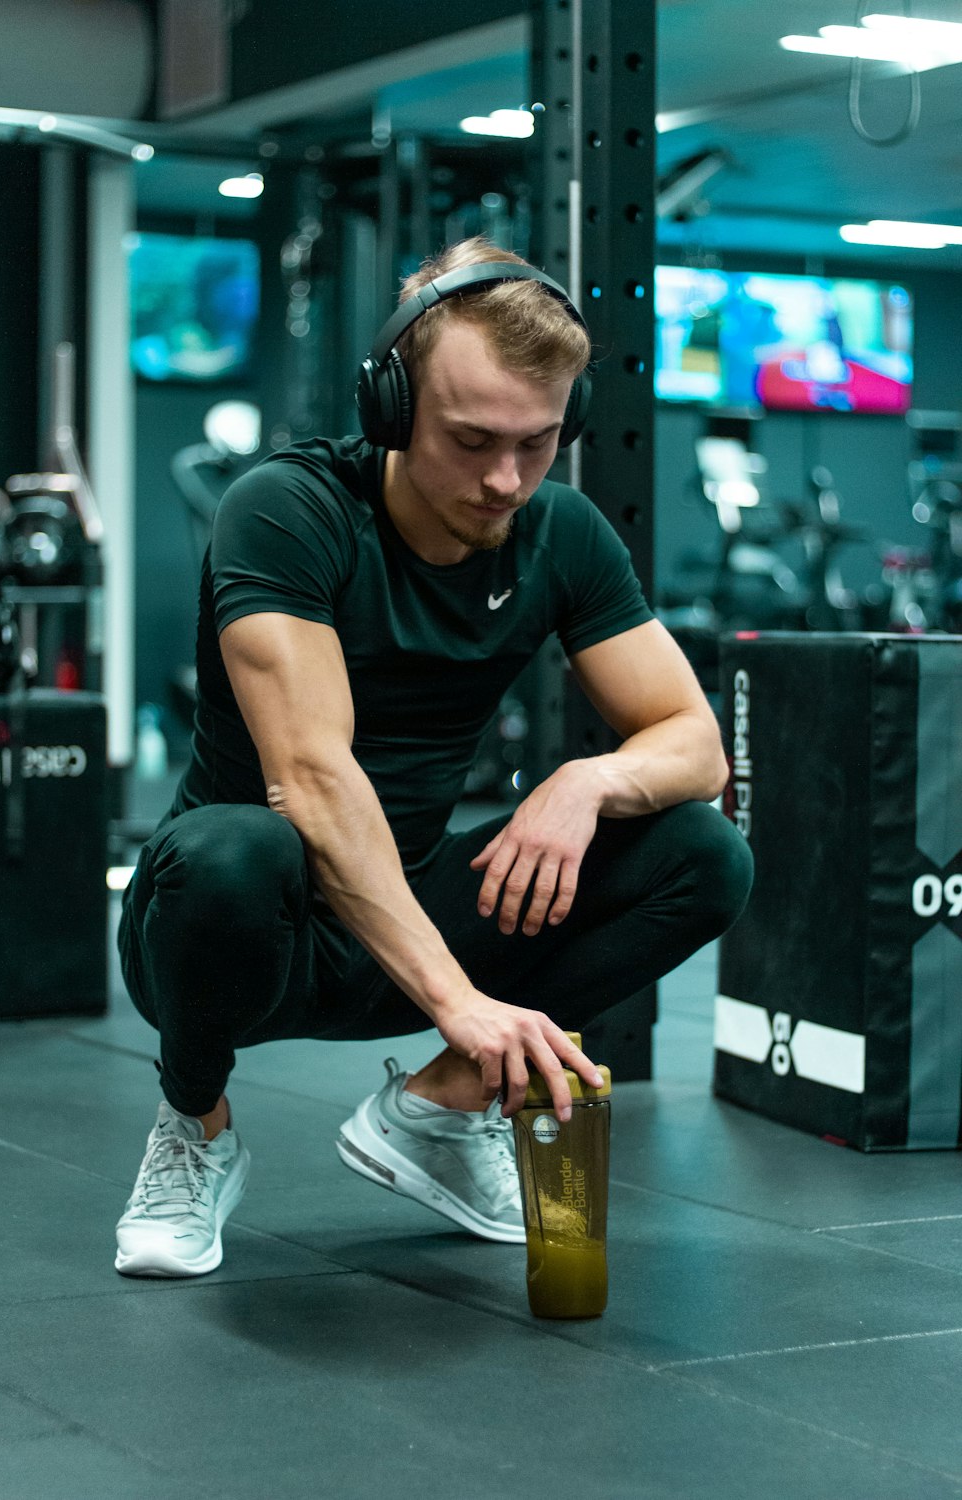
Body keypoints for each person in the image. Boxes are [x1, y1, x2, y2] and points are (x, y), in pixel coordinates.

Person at [114, 236, 753, 1278]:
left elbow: (694, 747)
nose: (505, 480)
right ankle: (194, 1125)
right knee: (237, 849)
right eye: (471, 440)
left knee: (700, 852)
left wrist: (585, 780)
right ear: (393, 408)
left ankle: (444, 1111)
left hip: (409, 915)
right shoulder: (289, 510)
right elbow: (311, 778)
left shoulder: (563, 534)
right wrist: (461, 998)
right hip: (231, 933)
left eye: (538, 444)